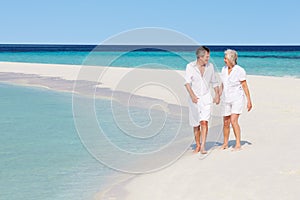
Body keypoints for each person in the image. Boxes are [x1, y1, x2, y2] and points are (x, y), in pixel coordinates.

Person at [184, 46, 220, 154]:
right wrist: (192, 96)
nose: (208, 59)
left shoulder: (210, 67)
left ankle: (203, 145)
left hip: (206, 98)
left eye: (208, 57)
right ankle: (197, 145)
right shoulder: (190, 66)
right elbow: (187, 83)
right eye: (206, 57)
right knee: (196, 124)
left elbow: (214, 82)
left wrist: (217, 95)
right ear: (200, 57)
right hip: (194, 98)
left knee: (204, 122)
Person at [219, 49, 252, 150]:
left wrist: (249, 100)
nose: (224, 60)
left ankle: (238, 144)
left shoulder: (240, 70)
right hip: (226, 99)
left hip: (237, 99)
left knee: (233, 121)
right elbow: (223, 84)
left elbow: (245, 86)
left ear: (231, 59)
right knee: (225, 122)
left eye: (226, 58)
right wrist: (218, 95)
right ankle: (225, 143)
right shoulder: (223, 69)